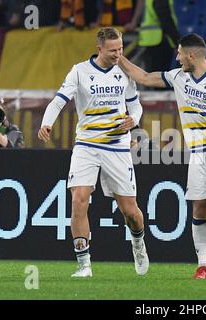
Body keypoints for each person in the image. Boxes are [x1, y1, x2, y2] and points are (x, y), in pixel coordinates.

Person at [119, 33, 206, 279]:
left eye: (179, 53)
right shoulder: (178, 77)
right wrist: (118, 58)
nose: (176, 58)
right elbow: (144, 77)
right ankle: (202, 266)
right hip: (198, 152)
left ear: (191, 55)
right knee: (199, 208)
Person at [38, 27, 149, 278]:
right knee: (79, 200)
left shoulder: (124, 71)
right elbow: (59, 100)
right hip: (87, 145)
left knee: (129, 210)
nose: (118, 54)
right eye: (113, 50)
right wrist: (47, 122)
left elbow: (136, 106)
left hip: (117, 146)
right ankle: (84, 264)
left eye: (120, 49)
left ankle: (138, 243)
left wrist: (134, 120)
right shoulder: (80, 71)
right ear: (99, 49)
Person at [138, 0, 180, 72]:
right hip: (160, 41)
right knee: (160, 76)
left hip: (151, 40)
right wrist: (178, 42)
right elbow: (166, 20)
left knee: (152, 75)